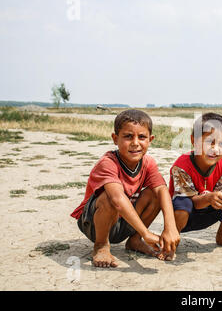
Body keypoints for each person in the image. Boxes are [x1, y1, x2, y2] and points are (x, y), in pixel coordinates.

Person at [70, 109, 180, 267]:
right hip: (94, 224)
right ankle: (101, 245)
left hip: (124, 222)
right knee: (109, 198)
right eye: (128, 136)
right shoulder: (108, 162)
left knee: (155, 193)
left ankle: (135, 241)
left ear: (150, 139)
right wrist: (146, 233)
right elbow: (117, 199)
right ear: (115, 139)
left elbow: (162, 190)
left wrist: (170, 228)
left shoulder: (148, 163)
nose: (135, 143)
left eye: (142, 137)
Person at [168, 113, 222, 260]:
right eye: (210, 142)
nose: (215, 149)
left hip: (207, 212)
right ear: (194, 140)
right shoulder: (182, 166)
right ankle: (172, 239)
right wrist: (210, 198)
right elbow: (191, 203)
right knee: (183, 202)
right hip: (182, 217)